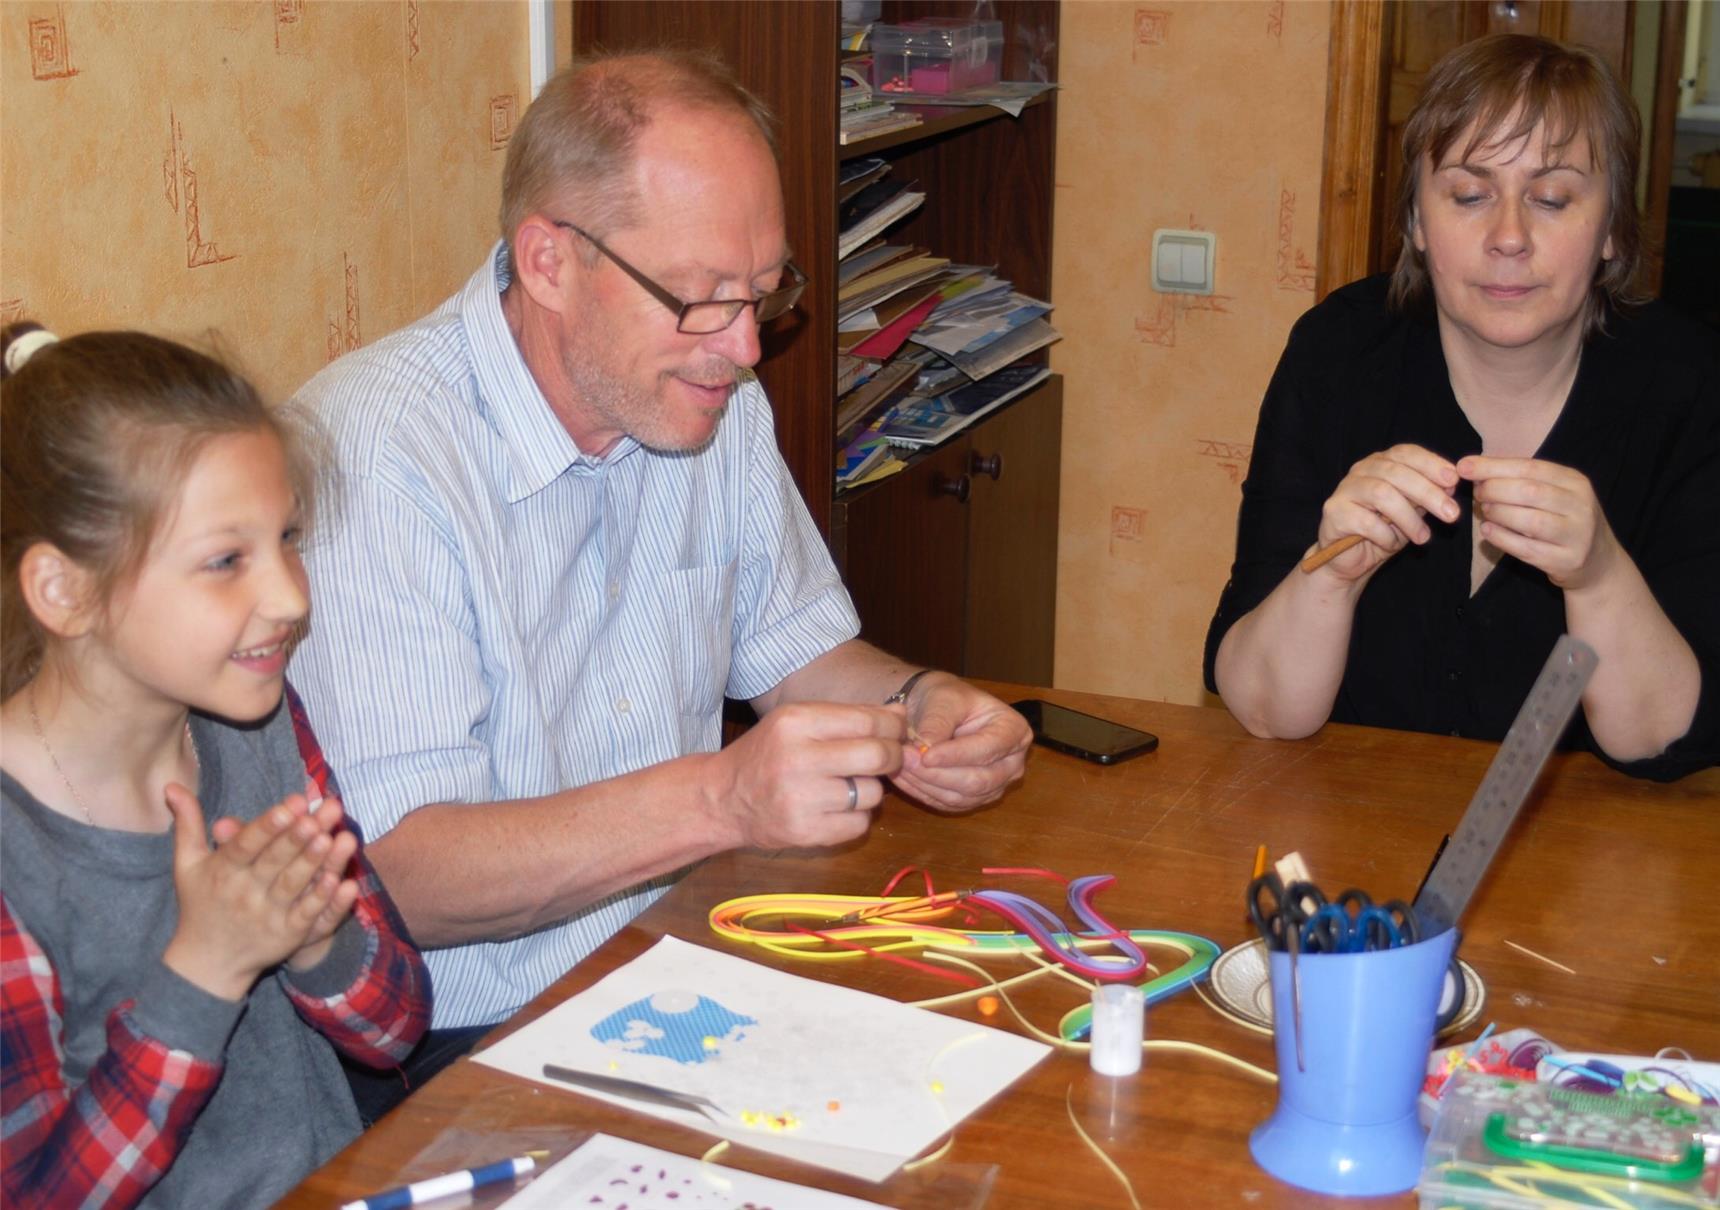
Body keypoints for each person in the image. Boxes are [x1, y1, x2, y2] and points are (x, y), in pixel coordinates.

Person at [288, 48, 1032, 1115]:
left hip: (680, 959)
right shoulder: (374, 456)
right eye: (696, 297)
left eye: (762, 294)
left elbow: (796, 654)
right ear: (547, 261)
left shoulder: (702, 389)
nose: (739, 347)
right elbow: (398, 875)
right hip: (461, 1041)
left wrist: (919, 703)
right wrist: (722, 797)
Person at [1206, 34, 1717, 782]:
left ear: (1611, 229)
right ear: (1417, 222)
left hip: (1589, 866)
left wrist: (1601, 577)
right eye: (1470, 195)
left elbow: (1660, 738)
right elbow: (1261, 710)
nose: (1508, 237)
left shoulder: (1689, 384)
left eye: (1552, 198)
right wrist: (1330, 576)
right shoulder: (1338, 353)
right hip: (1350, 844)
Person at [0, 323, 431, 1208]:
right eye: (226, 560)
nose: (289, 597)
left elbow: (395, 1032)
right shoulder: (17, 850)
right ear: (65, 591)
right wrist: (205, 973)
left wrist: (319, 941)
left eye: (287, 539)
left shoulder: (255, 724)